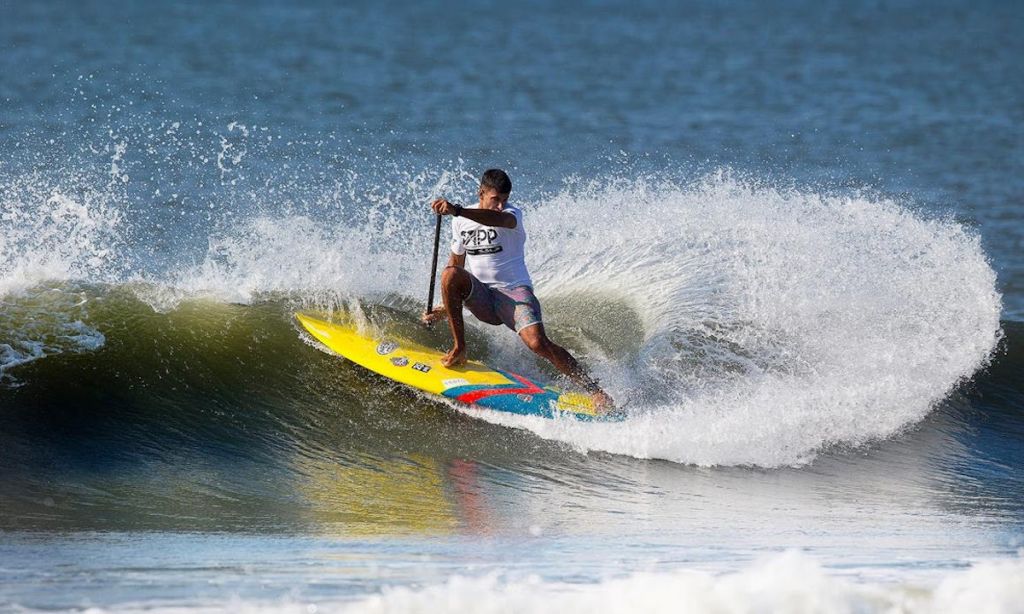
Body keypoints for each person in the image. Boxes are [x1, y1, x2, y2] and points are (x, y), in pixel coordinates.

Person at [421, 169, 614, 410]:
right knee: (450, 274)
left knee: (538, 344)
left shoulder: (511, 215)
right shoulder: (460, 223)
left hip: (513, 294)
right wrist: (445, 308)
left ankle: (595, 391)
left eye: (505, 199)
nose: (501, 205)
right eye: (495, 199)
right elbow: (455, 266)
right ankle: (460, 348)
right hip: (482, 298)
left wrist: (457, 209)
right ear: (481, 193)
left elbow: (498, 220)